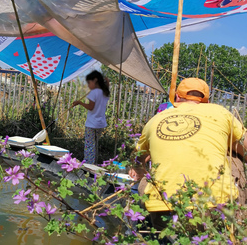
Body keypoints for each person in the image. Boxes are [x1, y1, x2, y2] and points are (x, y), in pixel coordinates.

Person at [130, 77, 247, 230]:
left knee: (145, 180)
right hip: (213, 204)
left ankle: (144, 225)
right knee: (234, 161)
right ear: (206, 100)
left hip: (163, 206)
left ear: (177, 97)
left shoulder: (156, 119)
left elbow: (137, 161)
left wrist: (140, 172)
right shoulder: (220, 112)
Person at [72, 70, 110, 164]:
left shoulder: (93, 93)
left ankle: (89, 164)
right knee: (95, 145)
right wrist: (107, 82)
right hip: (101, 124)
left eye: (89, 82)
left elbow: (91, 107)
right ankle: (94, 162)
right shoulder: (105, 92)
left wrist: (80, 102)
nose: (88, 85)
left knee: (89, 145)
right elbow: (107, 87)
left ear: (95, 80)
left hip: (92, 124)